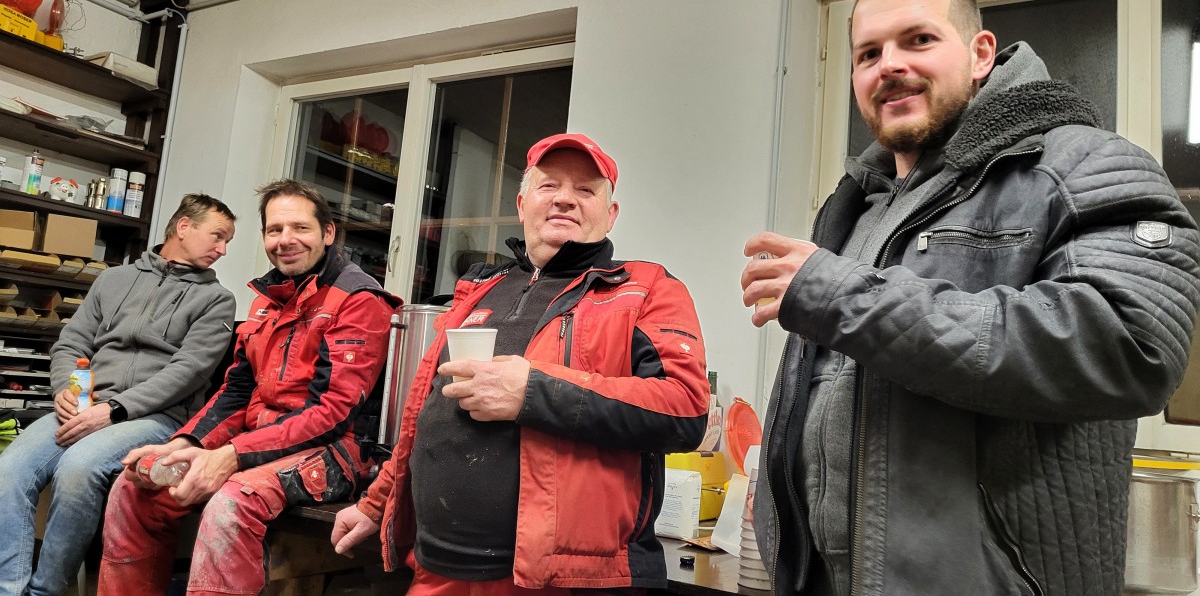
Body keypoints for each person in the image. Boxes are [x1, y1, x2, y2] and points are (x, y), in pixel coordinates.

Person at [740, 0, 1200, 596]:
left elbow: (1130, 346)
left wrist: (838, 293)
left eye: (918, 39)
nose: (889, 65)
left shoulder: (1083, 165)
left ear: (981, 53)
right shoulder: (859, 207)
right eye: (868, 53)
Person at [331, 133, 711, 593]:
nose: (565, 199)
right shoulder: (479, 290)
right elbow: (424, 416)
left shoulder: (647, 289)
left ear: (610, 214)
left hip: (558, 579)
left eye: (585, 190)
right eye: (549, 185)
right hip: (436, 567)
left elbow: (685, 410)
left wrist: (532, 391)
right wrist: (376, 504)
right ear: (522, 203)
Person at [97, 179, 398, 596]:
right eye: (274, 230)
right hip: (257, 441)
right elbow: (236, 391)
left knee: (231, 502)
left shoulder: (359, 299)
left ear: (328, 233)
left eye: (300, 228)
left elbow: (330, 413)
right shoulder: (267, 299)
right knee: (135, 486)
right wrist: (187, 444)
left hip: (335, 448)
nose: (285, 240)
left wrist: (231, 456)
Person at [0, 193, 237, 596]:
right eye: (218, 236)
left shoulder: (217, 300)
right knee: (9, 471)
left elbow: (188, 372)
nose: (223, 249)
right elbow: (71, 343)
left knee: (78, 469)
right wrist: (65, 389)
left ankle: (46, 591)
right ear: (183, 227)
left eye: (227, 241)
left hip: (156, 416)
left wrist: (115, 409)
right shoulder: (113, 280)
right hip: (86, 406)